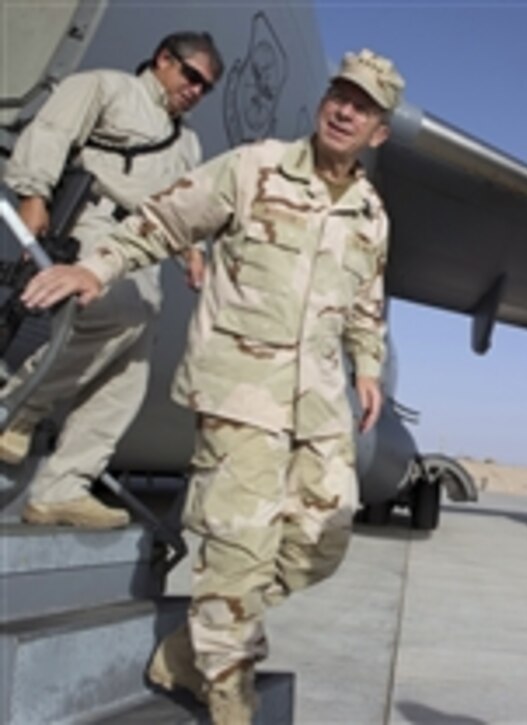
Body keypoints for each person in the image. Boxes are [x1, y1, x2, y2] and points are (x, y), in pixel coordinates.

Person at [22, 47, 404, 724]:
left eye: (364, 106)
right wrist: (99, 266)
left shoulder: (372, 215)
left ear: (379, 132)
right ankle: (228, 689)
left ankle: (189, 650)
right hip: (240, 390)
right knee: (238, 550)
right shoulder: (254, 167)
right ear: (325, 101)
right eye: (340, 94)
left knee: (324, 540)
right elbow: (165, 218)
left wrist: (367, 365)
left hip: (318, 403)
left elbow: (367, 300)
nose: (345, 108)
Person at [1, 31, 223, 529]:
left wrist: (193, 249)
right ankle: (17, 407)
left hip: (145, 246)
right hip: (94, 221)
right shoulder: (106, 87)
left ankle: (64, 487)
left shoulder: (187, 141)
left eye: (206, 87)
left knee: (129, 377)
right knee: (126, 311)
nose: (196, 91)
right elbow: (54, 130)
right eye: (191, 76)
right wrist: (33, 195)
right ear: (164, 59)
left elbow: (183, 201)